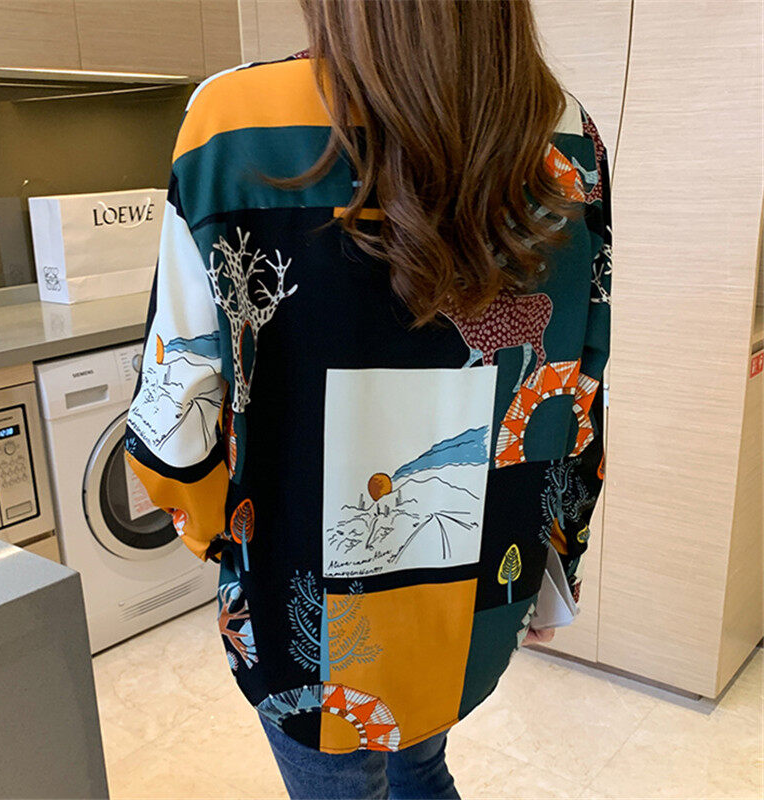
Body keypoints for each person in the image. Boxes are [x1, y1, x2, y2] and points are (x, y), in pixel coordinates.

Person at [124, 0, 612, 797]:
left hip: (297, 588)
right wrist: (561, 553)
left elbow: (174, 403)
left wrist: (220, 537)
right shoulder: (564, 129)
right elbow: (583, 381)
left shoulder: (234, 120)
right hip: (478, 586)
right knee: (421, 760)